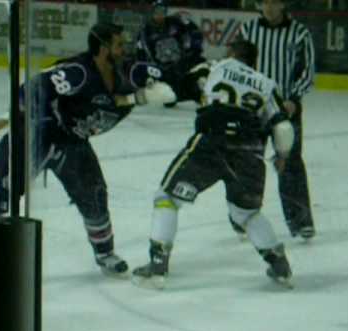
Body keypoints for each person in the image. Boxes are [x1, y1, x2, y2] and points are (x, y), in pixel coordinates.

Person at [0, 22, 176, 282]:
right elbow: (33, 88)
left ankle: (105, 254)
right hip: (36, 136)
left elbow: (168, 76)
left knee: (95, 199)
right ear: (102, 48)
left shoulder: (128, 72)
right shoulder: (78, 73)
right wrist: (16, 114)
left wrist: (152, 92)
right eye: (119, 44)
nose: (125, 50)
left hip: (73, 144)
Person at [132, 39, 296, 290]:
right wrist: (282, 156)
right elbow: (283, 127)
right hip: (250, 152)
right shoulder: (267, 84)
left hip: (211, 144)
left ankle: (157, 265)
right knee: (246, 213)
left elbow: (170, 91)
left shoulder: (216, 67)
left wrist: (142, 95)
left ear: (231, 54)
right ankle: (279, 265)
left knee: (167, 197)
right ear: (255, 61)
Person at [238, 0, 316, 241]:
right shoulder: (248, 31)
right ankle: (241, 214)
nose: (269, 7)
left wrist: (294, 98)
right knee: (247, 162)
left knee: (290, 162)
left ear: (283, 4)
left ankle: (300, 220)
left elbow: (308, 69)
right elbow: (237, 65)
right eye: (264, 3)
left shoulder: (299, 33)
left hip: (286, 109)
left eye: (274, 2)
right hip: (254, 109)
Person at [136, 0, 206, 106]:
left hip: (181, 64)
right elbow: (141, 55)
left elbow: (194, 30)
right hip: (163, 70)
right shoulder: (145, 32)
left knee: (197, 82)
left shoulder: (175, 22)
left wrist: (194, 49)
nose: (160, 15)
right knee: (170, 99)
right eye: (157, 12)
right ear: (152, 13)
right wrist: (150, 73)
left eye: (163, 12)